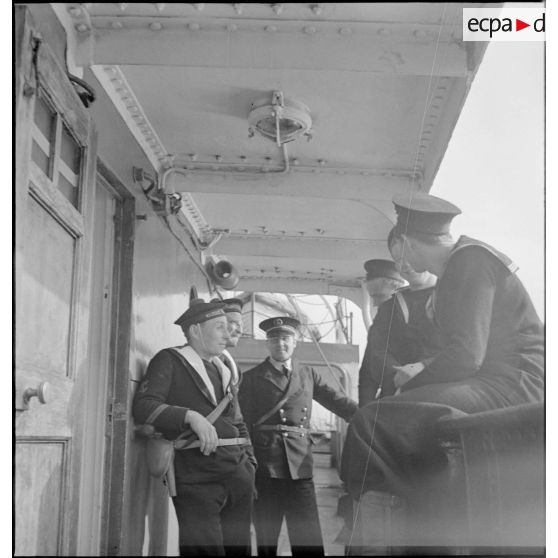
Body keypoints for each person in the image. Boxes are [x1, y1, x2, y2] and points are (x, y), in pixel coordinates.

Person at [340, 191, 544, 553]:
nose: (400, 264)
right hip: (498, 380)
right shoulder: (460, 267)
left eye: (396, 253)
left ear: (402, 244)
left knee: (372, 422)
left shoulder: (470, 261)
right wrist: (419, 375)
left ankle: (373, 547)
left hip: (515, 384)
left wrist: (411, 380)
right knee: (401, 423)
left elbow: (466, 356)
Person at [133, 299, 256, 557]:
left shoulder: (225, 369)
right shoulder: (170, 360)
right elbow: (144, 406)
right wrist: (190, 416)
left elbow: (238, 421)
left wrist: (250, 464)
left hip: (238, 473)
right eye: (220, 327)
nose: (228, 333)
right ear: (195, 331)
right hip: (197, 476)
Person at [238, 316, 358, 557]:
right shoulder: (250, 378)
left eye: (285, 339)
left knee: (308, 536)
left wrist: (368, 417)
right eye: (274, 339)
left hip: (300, 466)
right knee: (266, 538)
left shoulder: (307, 374)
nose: (280, 344)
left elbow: (337, 401)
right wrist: (248, 467)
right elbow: (243, 425)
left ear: (295, 343)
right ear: (267, 344)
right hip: (265, 467)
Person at [358, 248, 440, 407]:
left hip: (435, 391)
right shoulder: (388, 310)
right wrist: (364, 410)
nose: (375, 303)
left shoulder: (448, 299)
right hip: (395, 393)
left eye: (378, 296)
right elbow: (371, 364)